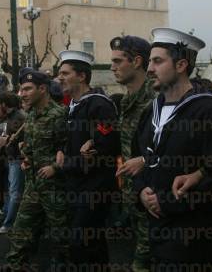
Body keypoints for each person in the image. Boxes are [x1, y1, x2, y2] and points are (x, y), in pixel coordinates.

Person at [134, 28, 212, 270]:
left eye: (158, 61)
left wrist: (166, 202)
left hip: (191, 237)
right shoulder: (150, 110)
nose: (149, 68)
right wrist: (141, 190)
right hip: (155, 233)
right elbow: (143, 159)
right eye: (150, 61)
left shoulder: (209, 110)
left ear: (181, 64)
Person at [57, 50, 120, 271]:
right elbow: (74, 141)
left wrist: (66, 163)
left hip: (95, 188)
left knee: (80, 242)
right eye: (59, 73)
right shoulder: (74, 106)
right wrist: (62, 151)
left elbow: (105, 149)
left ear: (82, 76)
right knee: (92, 243)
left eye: (65, 73)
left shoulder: (98, 104)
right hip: (77, 184)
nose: (60, 78)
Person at [1, 70, 69, 272]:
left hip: (55, 189)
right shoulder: (31, 116)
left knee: (61, 237)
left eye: (27, 89)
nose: (22, 94)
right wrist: (26, 158)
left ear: (42, 89)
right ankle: (15, 266)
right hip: (33, 185)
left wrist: (55, 167)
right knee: (21, 230)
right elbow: (30, 147)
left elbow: (69, 152)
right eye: (21, 89)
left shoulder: (60, 114)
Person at [109, 35, 155, 271]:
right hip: (133, 197)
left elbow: (179, 149)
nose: (112, 67)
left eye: (118, 61)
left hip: (154, 199)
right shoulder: (127, 100)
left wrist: (146, 161)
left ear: (137, 62)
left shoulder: (157, 99)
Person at [0, 92, 25, 234]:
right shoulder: (11, 117)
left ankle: (9, 224)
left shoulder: (19, 117)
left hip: (18, 159)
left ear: (5, 104)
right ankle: (8, 213)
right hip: (12, 159)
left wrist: (8, 139)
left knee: (15, 192)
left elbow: (23, 136)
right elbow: (10, 137)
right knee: (13, 190)